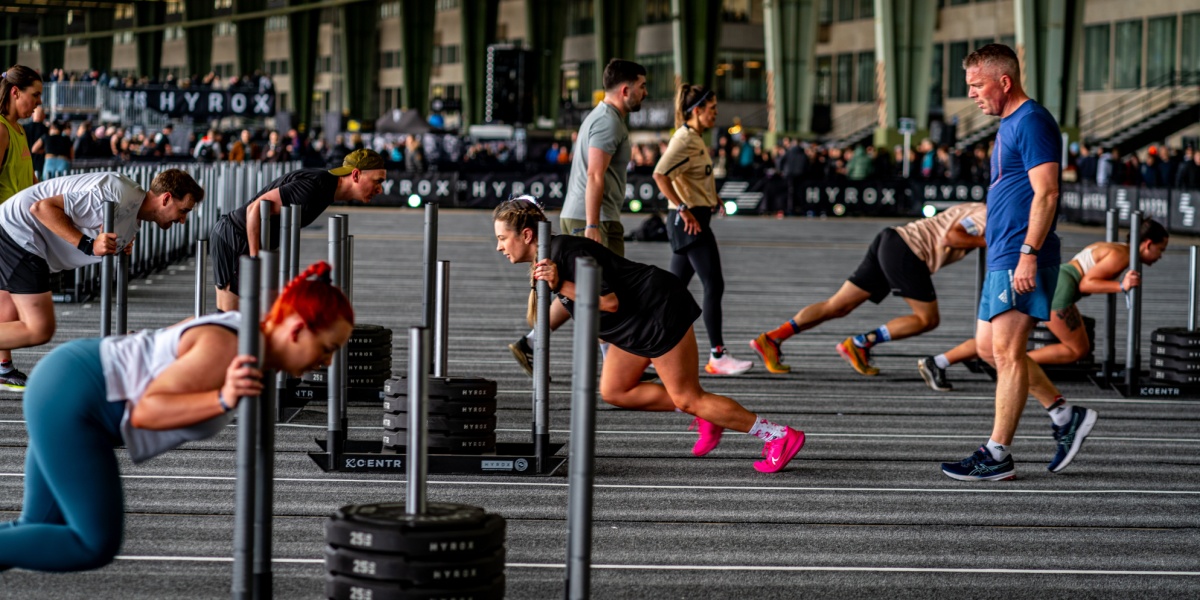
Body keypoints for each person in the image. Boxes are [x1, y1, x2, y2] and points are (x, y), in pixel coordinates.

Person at [0, 262, 353, 572]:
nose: (327, 363)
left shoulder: (247, 337)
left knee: (38, 525)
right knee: (91, 543)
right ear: (296, 330)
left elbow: (183, 334)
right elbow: (146, 411)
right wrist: (221, 398)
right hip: (73, 397)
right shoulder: (231, 349)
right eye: (327, 349)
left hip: (68, 383)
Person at [493, 198, 805, 472]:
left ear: (527, 234)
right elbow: (566, 303)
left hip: (657, 312)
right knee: (615, 390)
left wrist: (561, 285)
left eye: (502, 238)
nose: (499, 246)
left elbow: (607, 302)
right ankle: (708, 415)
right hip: (634, 324)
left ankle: (778, 436)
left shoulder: (567, 255)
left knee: (689, 397)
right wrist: (534, 336)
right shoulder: (548, 261)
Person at [940, 44, 1095, 482]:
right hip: (1004, 251)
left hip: (1019, 254)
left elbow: (1047, 193)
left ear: (1003, 82)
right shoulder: (1010, 123)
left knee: (1007, 353)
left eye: (976, 85)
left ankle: (997, 454)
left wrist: (1028, 254)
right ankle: (1065, 415)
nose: (971, 94)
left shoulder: (1032, 121)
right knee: (989, 350)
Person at [508, 59, 648, 375]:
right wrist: (593, 224)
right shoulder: (608, 122)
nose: (645, 92)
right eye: (642, 86)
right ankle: (613, 365)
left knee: (587, 289)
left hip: (590, 215)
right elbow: (596, 175)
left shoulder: (603, 117)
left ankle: (532, 343)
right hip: (593, 218)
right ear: (625, 90)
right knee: (605, 292)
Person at [920, 219, 1170, 390]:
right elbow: (1087, 283)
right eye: (1161, 249)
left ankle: (939, 361)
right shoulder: (1121, 255)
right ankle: (1014, 367)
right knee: (1077, 349)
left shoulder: (1113, 247)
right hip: (1063, 288)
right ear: (1147, 245)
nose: (1161, 256)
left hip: (1056, 280)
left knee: (1002, 335)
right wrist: (1122, 286)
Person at [0, 170, 203, 374]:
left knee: (7, 312)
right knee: (39, 328)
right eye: (183, 210)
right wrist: (88, 245)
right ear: (166, 198)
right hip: (19, 232)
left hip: (20, 233)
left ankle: (4, 369)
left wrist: (119, 245)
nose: (183, 219)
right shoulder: (116, 195)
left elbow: (104, 237)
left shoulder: (132, 213)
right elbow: (42, 208)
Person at [749, 202, 987, 375]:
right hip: (909, 252)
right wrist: (990, 242)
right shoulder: (988, 213)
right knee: (927, 319)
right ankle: (861, 342)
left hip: (892, 239)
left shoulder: (978, 205)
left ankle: (773, 338)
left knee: (839, 305)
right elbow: (952, 238)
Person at [651, 83, 751, 376]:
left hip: (694, 216)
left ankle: (648, 349)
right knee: (714, 284)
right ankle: (718, 354)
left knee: (674, 291)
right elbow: (660, 174)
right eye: (712, 109)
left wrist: (712, 197)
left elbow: (692, 176)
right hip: (689, 221)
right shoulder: (685, 140)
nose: (716, 115)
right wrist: (683, 207)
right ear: (696, 111)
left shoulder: (693, 137)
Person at [209, 148, 386, 311]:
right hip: (235, 237)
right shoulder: (315, 188)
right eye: (377, 181)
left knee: (251, 321)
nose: (380, 190)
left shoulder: (326, 188)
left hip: (243, 239)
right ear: (355, 175)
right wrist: (256, 260)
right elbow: (254, 209)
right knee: (229, 321)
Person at [0, 65, 44, 390]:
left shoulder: (19, 131)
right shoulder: (1, 130)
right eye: (35, 95)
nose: (38, 104)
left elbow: (30, 182)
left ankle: (2, 366)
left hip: (16, 229)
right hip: (3, 227)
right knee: (10, 302)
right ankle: (2, 366)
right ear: (16, 93)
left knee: (7, 301)